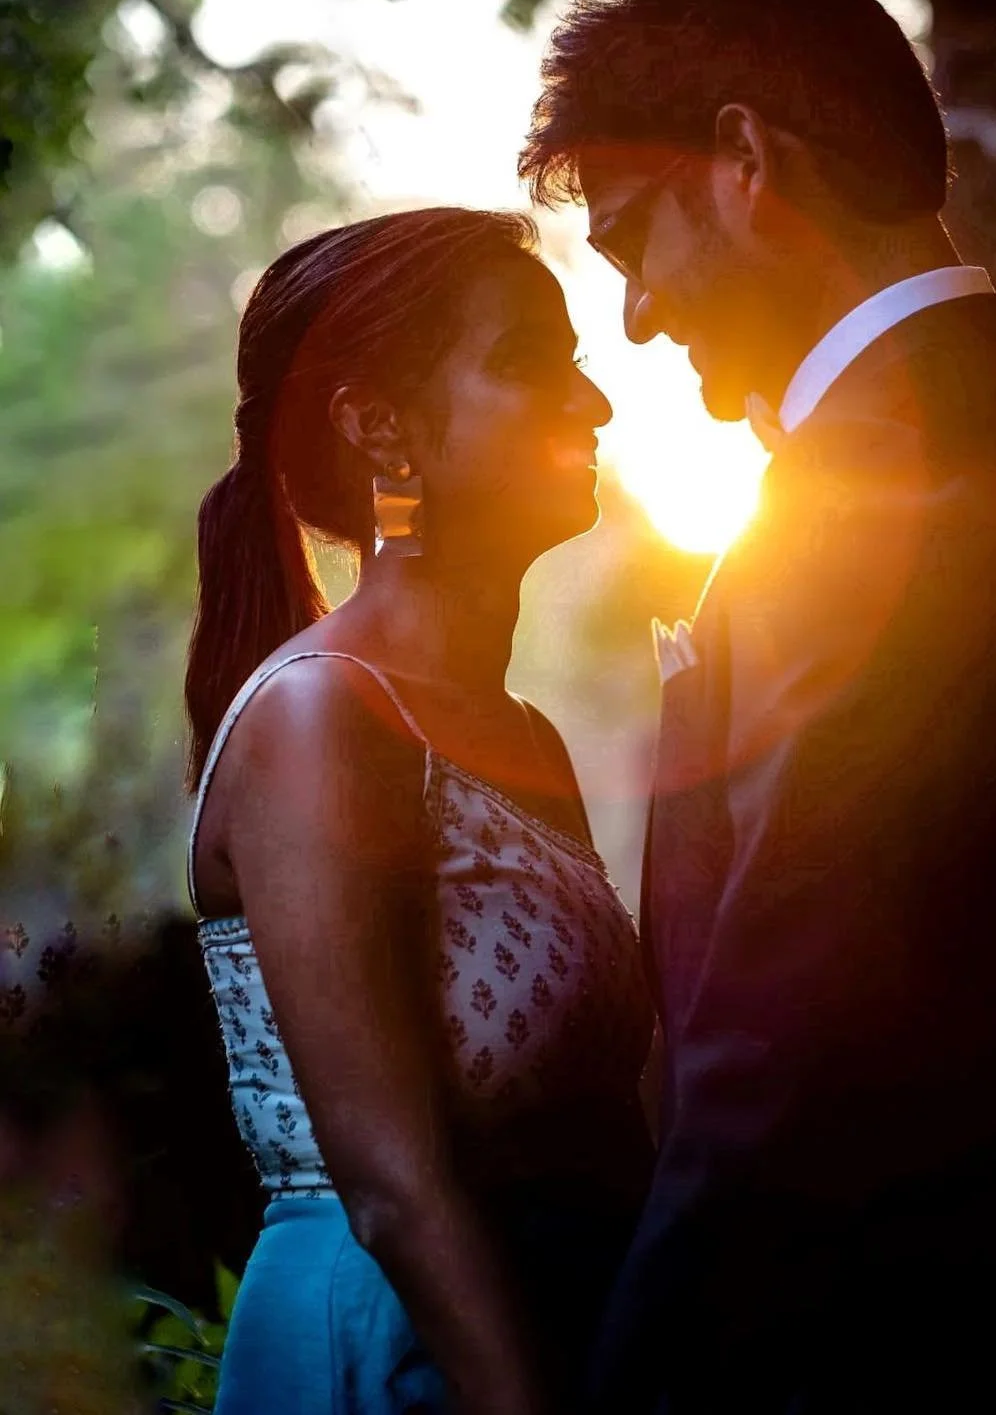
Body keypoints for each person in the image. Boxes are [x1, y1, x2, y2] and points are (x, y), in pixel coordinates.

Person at [520, 0, 996, 1409]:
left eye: (631, 238)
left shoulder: (900, 485)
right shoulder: (966, 435)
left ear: (746, 160)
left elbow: (777, 1069)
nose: (634, 314)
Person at [184, 207, 653, 1415]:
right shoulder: (319, 720)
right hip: (393, 1344)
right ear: (383, 426)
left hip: (559, 1315)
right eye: (528, 365)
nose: (590, 406)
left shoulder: (528, 739)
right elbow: (393, 1184)